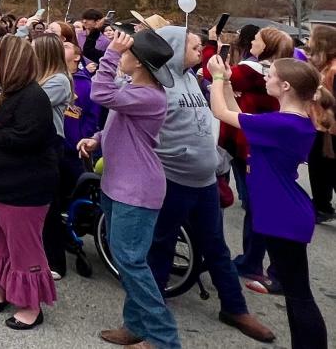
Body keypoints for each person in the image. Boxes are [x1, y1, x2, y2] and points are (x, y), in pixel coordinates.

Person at [130, 27, 274, 344]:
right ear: (172, 48)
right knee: (159, 251)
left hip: (205, 180)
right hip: (172, 180)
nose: (201, 50)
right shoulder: (155, 84)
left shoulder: (192, 77)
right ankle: (147, 321)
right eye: (194, 45)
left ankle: (235, 308)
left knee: (217, 248)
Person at [207, 54, 332, 349]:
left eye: (270, 74)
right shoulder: (287, 122)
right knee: (295, 292)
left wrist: (217, 77)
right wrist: (226, 83)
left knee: (299, 295)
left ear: (285, 85)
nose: (265, 77)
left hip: (283, 214)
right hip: (286, 210)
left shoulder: (282, 124)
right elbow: (236, 115)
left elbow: (220, 112)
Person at [76, 28, 181, 349]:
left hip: (136, 191)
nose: (120, 57)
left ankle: (165, 339)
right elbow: (117, 121)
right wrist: (97, 140)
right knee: (131, 260)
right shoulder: (135, 88)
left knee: (131, 262)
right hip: (117, 185)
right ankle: (135, 326)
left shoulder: (150, 96)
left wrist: (107, 56)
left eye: (124, 54)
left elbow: (101, 95)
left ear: (137, 63)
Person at [0, 34, 57, 331]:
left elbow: (23, 139)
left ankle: (31, 305)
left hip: (22, 189)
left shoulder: (33, 97)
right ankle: (3, 288)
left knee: (23, 246)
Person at [208, 26, 293, 291]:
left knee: (259, 208)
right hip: (252, 138)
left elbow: (222, 101)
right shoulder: (272, 77)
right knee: (258, 206)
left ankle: (256, 263)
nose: (252, 42)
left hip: (251, 145)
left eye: (257, 39)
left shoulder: (256, 71)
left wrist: (213, 48)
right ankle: (258, 262)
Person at [33, 33, 74, 279]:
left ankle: (55, 261)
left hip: (51, 144)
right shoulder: (40, 77)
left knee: (49, 205)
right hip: (38, 143)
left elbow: (34, 103)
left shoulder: (59, 80)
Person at [305, 24, 336, 222]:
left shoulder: (333, 69)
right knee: (319, 169)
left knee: (326, 169)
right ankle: (322, 205)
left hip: (330, 129)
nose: (308, 41)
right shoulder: (325, 65)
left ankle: (322, 206)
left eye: (311, 37)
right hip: (321, 126)